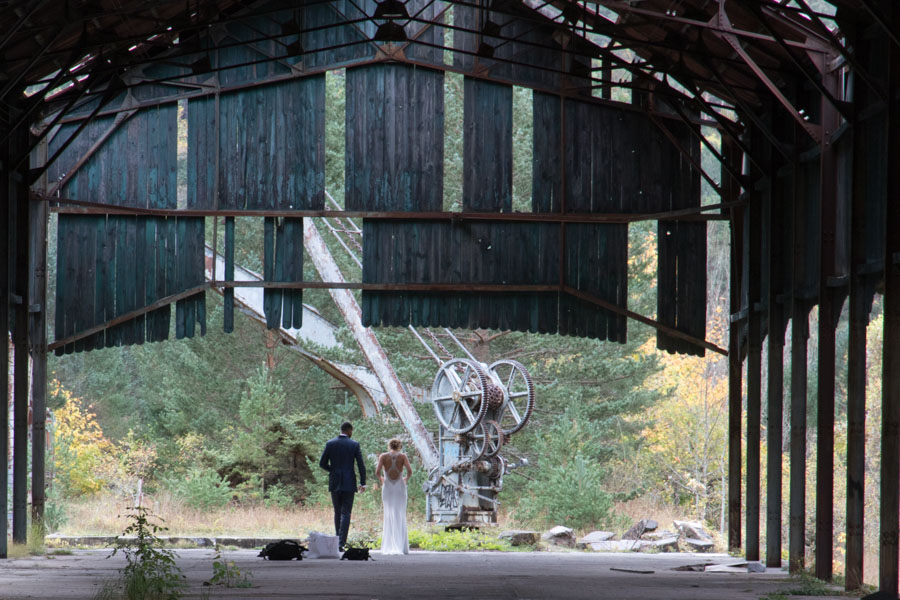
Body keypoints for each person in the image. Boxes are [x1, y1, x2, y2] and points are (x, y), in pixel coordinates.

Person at [319, 421, 366, 549]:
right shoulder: (354, 444)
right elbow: (360, 465)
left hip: (334, 481)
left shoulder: (330, 444)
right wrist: (363, 482)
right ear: (349, 431)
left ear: (341, 430)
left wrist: (333, 471)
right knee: (346, 513)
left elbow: (322, 463)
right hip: (349, 482)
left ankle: (336, 540)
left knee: (337, 511)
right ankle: (341, 543)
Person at [376, 438, 412, 555]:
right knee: (400, 513)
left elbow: (377, 472)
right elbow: (409, 471)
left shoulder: (383, 456)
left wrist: (382, 479)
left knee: (388, 512)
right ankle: (401, 546)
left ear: (389, 446)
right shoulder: (403, 456)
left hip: (387, 486)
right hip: (400, 486)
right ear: (399, 446)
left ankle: (389, 545)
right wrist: (405, 479)